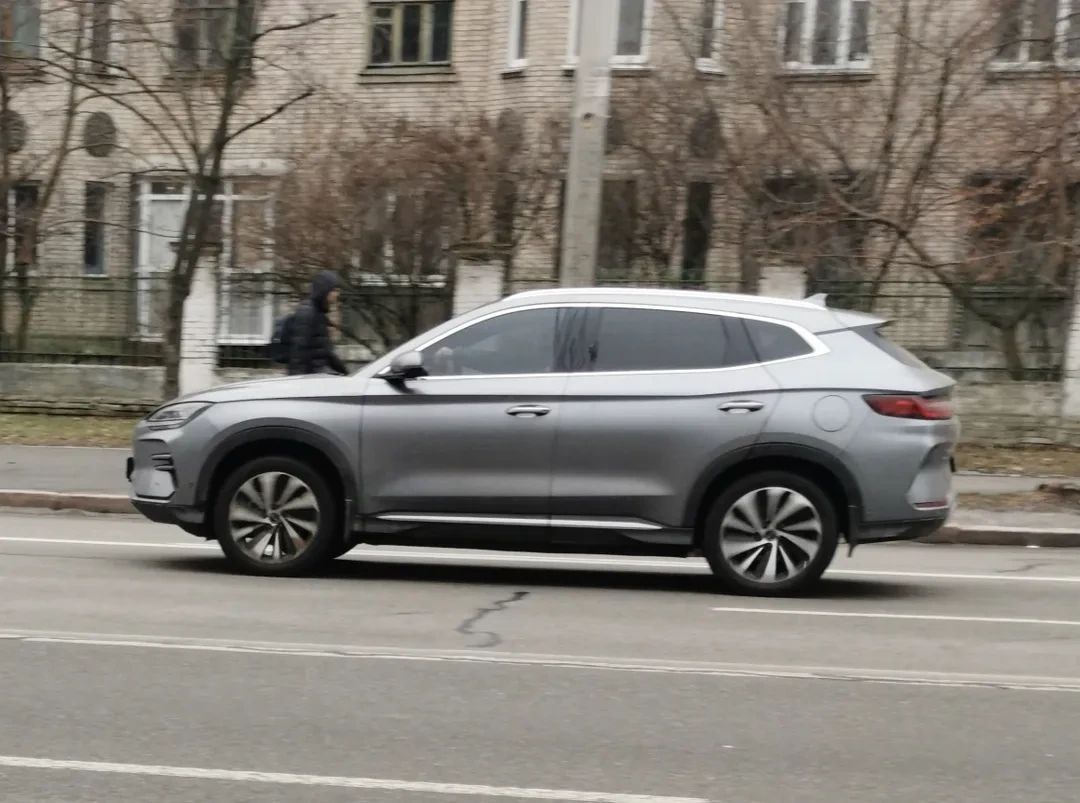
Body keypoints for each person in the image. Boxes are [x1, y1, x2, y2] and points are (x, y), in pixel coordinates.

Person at [287, 270, 348, 376]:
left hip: (319, 373)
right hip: (311, 377)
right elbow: (298, 351)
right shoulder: (308, 312)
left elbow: (324, 351)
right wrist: (297, 380)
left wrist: (344, 372)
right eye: (333, 290)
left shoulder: (319, 312)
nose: (337, 294)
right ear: (323, 290)